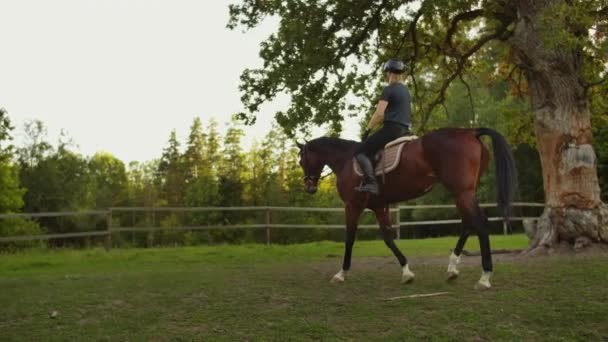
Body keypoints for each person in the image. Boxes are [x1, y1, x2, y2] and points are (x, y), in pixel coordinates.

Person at [355, 59, 412, 195]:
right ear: (401, 74)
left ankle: (372, 184)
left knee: (360, 152)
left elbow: (379, 114)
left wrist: (368, 129)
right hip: (405, 131)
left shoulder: (389, 89)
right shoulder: (406, 91)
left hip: (392, 129)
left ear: (388, 73)